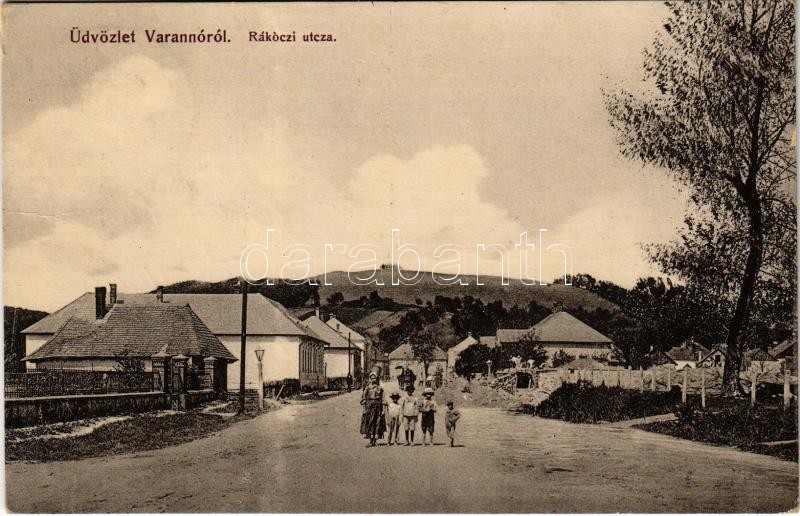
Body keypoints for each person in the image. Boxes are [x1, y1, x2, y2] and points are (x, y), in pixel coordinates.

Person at [360, 372, 386, 447]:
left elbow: (383, 399)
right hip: (369, 407)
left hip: (378, 407)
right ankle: (371, 441)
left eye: (375, 378)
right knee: (370, 422)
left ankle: (375, 440)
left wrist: (383, 410)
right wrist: (364, 409)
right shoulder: (367, 388)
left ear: (377, 379)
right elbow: (363, 399)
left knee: (377, 422)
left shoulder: (380, 388)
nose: (373, 379)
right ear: (370, 379)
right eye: (372, 378)